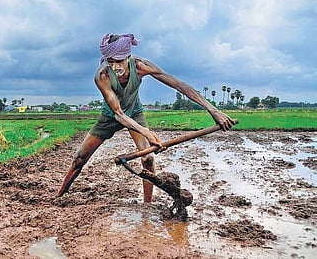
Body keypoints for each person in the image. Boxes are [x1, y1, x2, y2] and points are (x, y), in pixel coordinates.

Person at [57, 33, 235, 203]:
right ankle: (59, 196)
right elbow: (118, 113)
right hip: (111, 116)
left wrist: (213, 110)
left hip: (135, 112)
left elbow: (180, 86)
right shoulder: (102, 76)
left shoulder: (141, 66)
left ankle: (147, 206)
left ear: (128, 56)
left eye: (119, 61)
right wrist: (146, 132)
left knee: (148, 159)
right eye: (110, 62)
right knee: (80, 158)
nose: (115, 67)